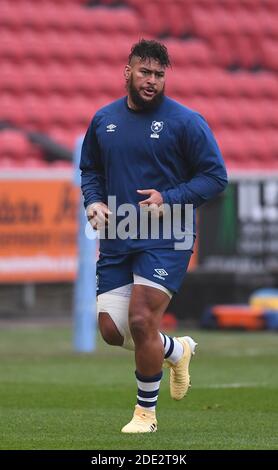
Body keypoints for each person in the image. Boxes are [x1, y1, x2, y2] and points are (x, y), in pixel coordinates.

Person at [80, 39, 228, 433]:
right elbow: (91, 171)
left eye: (159, 75)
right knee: (113, 330)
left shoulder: (186, 122)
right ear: (127, 72)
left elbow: (216, 178)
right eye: (145, 72)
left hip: (168, 234)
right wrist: (93, 202)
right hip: (119, 232)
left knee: (143, 319)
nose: (152, 81)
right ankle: (175, 350)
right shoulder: (103, 120)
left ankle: (145, 414)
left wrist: (170, 198)